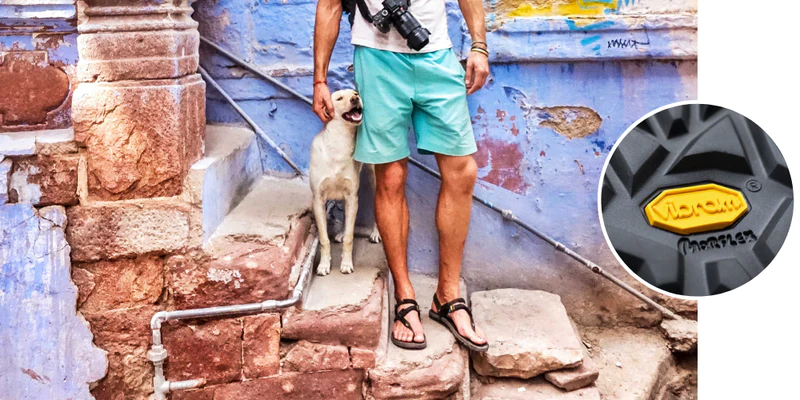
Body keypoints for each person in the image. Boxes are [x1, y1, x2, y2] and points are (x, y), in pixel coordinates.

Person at [312, 0, 489, 351]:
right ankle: (405, 298)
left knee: (462, 171)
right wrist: (320, 79)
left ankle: (448, 296)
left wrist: (479, 46)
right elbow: (330, 5)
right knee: (390, 177)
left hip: (436, 52)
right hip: (376, 58)